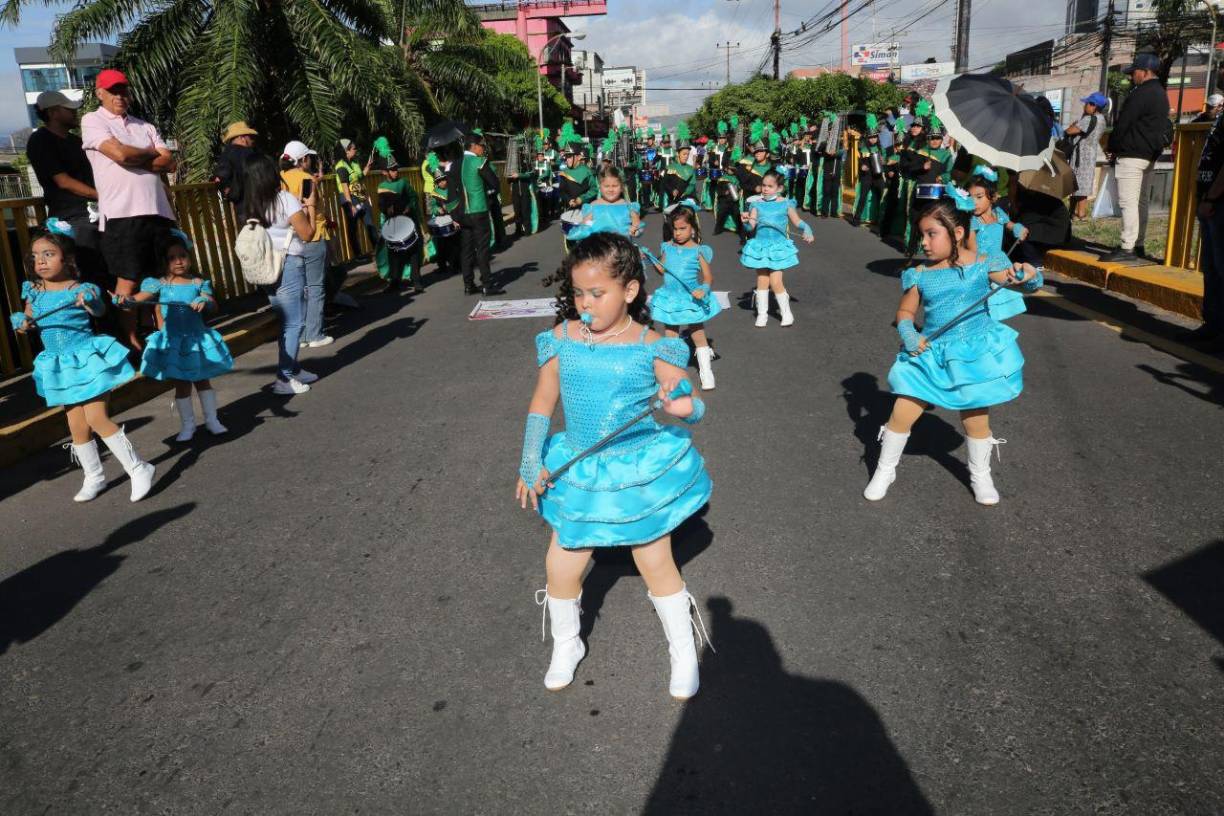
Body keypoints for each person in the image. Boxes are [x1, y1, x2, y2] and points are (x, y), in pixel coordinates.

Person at [517, 232, 712, 699]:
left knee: (654, 558)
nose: (586, 303)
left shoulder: (653, 344)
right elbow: (544, 401)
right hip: (581, 467)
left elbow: (687, 402)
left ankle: (683, 648)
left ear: (629, 291)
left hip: (634, 470)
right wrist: (529, 460)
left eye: (598, 293)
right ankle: (567, 643)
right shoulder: (562, 337)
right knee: (560, 564)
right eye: (579, 292)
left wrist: (682, 405)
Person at [862, 190, 1042, 506]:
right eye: (922, 236)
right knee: (902, 411)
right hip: (932, 351)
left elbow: (1013, 280)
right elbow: (905, 312)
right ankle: (885, 468)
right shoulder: (920, 275)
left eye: (932, 234)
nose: (926, 243)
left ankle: (980, 475)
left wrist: (1025, 276)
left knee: (975, 418)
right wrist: (907, 332)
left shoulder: (985, 264)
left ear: (957, 233)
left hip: (973, 353)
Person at [9, 220, 154, 502]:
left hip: (87, 360)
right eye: (35, 256)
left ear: (67, 258)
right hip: (59, 366)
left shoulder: (80, 288)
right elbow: (28, 320)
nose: (41, 261)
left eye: (48, 254)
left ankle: (138, 467)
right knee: (76, 425)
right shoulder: (34, 290)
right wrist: (22, 324)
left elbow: (99, 311)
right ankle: (94, 476)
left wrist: (90, 301)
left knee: (97, 417)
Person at [80, 68, 177, 352]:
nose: (119, 96)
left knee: (163, 276)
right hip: (122, 214)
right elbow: (119, 154)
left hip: (157, 212)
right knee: (128, 280)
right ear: (100, 93)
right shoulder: (92, 120)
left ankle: (165, 337)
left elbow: (168, 162)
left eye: (123, 90)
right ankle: (131, 342)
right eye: (112, 91)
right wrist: (148, 152)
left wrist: (134, 154)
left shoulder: (144, 125)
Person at [117, 230, 233, 441]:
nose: (178, 261)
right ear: (164, 261)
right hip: (175, 342)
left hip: (196, 339)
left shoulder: (198, 283)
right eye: (172, 258)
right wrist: (126, 301)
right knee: (181, 384)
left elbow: (211, 302)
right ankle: (188, 426)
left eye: (182, 256)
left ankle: (212, 420)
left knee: (202, 380)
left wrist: (204, 301)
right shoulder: (160, 283)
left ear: (189, 257)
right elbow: (139, 298)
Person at [241, 153, 319, 395]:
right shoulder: (285, 199)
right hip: (288, 265)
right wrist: (311, 205)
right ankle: (284, 378)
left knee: (286, 322)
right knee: (295, 323)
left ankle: (293, 368)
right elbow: (307, 233)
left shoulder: (251, 205)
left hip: (265, 268)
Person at [26, 90, 105, 291]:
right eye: (68, 109)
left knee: (107, 273)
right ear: (53, 112)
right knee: (87, 277)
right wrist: (102, 195)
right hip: (71, 219)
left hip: (96, 214)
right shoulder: (41, 140)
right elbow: (63, 181)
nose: (74, 113)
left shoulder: (76, 141)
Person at [1102, 53, 1172, 262]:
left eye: (1134, 72)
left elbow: (1124, 122)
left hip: (1131, 154)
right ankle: (1138, 244)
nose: (1132, 76)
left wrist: (1112, 146)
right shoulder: (1161, 93)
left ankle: (1127, 247)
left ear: (1145, 72)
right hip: (1149, 155)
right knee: (1140, 201)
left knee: (1128, 202)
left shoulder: (1140, 93)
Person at [647, 207, 721, 390]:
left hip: (690, 299)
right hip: (670, 298)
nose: (678, 233)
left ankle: (706, 371)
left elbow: (708, 277)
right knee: (671, 335)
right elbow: (662, 269)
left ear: (693, 229)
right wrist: (649, 258)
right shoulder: (667, 247)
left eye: (682, 228)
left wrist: (703, 289)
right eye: (675, 229)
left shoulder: (698, 251)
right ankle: (673, 375)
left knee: (697, 333)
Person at [742, 170, 814, 328]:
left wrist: (806, 228)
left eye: (770, 186)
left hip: (777, 248)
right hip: (761, 246)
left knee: (775, 281)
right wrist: (746, 221)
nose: (765, 189)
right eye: (763, 185)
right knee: (762, 280)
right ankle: (762, 314)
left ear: (779, 188)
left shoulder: (786, 203)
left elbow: (797, 221)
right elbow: (751, 227)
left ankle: (786, 312)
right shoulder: (756, 204)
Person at [279, 140, 332, 347]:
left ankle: (299, 337)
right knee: (315, 286)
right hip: (312, 234)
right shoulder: (307, 179)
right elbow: (313, 205)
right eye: (308, 158)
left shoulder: (279, 179)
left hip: (289, 238)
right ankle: (314, 334)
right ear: (303, 160)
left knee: (297, 289)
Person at [966, 166, 1030, 324]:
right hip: (982, 268)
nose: (974, 202)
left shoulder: (999, 214)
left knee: (995, 308)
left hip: (1001, 263)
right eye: (970, 197)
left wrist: (1018, 228)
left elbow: (1010, 224)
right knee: (979, 308)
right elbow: (971, 252)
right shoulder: (972, 221)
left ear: (993, 197)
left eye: (979, 197)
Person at [1190, 98, 1224, 350]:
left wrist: (1212, 196)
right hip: (1209, 200)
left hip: (1218, 202)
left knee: (1220, 270)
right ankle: (1212, 325)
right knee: (1211, 269)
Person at [452, 133, 504, 295]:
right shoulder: (478, 161)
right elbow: (494, 183)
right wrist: (488, 193)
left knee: (466, 250)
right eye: (482, 145)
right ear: (473, 146)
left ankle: (468, 285)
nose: (483, 148)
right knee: (482, 248)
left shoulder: (457, 164)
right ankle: (487, 284)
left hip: (462, 213)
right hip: (478, 210)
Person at [375, 158, 426, 295]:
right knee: (394, 253)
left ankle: (416, 280)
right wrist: (386, 210)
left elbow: (413, 197)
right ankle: (395, 281)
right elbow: (381, 204)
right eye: (392, 170)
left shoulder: (404, 182)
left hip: (408, 220)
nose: (395, 172)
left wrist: (409, 207)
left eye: (396, 169)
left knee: (413, 251)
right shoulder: (381, 186)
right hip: (393, 223)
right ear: (384, 172)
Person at [564, 166, 642, 242]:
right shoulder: (593, 207)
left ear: (621, 187)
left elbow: (638, 226)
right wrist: (577, 232)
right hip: (600, 250)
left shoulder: (629, 207)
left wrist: (636, 231)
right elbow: (585, 227)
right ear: (600, 187)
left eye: (615, 186)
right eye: (606, 186)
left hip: (623, 249)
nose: (611, 189)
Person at [1064, 93, 1108, 220]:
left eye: (1087, 103)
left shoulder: (1089, 119)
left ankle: (1080, 213)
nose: (1085, 106)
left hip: (1081, 156)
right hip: (1090, 155)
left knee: (1078, 185)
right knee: (1083, 184)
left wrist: (1074, 124)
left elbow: (1069, 131)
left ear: (1094, 106)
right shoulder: (1102, 120)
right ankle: (1076, 213)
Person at [334, 138, 374, 255]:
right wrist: (350, 203)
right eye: (354, 149)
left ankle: (378, 248)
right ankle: (358, 255)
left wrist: (367, 167)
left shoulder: (354, 163)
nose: (355, 150)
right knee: (353, 227)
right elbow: (345, 185)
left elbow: (360, 178)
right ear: (346, 151)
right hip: (348, 197)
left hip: (359, 195)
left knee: (369, 222)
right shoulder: (341, 166)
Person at [850, 117, 886, 228]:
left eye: (874, 137)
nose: (873, 139)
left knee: (882, 197)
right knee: (863, 197)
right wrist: (862, 166)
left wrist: (884, 161)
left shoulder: (881, 148)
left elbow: (885, 160)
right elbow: (860, 161)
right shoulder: (864, 148)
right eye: (871, 137)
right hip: (867, 176)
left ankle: (881, 220)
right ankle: (856, 219)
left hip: (878, 176)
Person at [214, 121, 258, 205]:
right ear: (242, 138)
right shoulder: (249, 153)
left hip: (239, 203)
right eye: (250, 137)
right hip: (256, 200)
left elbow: (219, 178)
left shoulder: (225, 154)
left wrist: (230, 192)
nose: (252, 140)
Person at [713, 150, 746, 245]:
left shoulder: (737, 179)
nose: (731, 171)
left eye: (733, 169)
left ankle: (741, 234)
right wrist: (724, 192)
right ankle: (717, 229)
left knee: (738, 218)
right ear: (726, 169)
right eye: (730, 169)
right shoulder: (722, 178)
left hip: (734, 202)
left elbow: (741, 188)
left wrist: (739, 191)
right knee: (721, 216)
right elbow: (718, 190)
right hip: (724, 202)